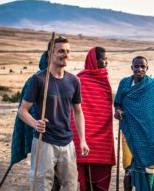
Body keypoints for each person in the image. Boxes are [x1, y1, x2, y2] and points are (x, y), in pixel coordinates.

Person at [18, 36, 89, 190]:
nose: (66, 55)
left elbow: (78, 111)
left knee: (70, 185)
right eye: (61, 51)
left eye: (68, 51)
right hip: (44, 141)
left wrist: (82, 139)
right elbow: (22, 111)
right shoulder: (39, 79)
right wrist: (36, 124)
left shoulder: (74, 81)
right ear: (51, 53)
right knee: (41, 185)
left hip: (67, 142)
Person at [114, 56, 154, 191]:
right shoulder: (124, 83)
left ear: (147, 68)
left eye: (143, 67)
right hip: (129, 133)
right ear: (132, 67)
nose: (139, 69)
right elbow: (117, 103)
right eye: (136, 66)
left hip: (147, 136)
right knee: (128, 169)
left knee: (147, 170)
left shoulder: (152, 85)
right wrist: (118, 111)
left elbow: (152, 113)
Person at [71, 47, 115, 191]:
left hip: (103, 136)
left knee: (101, 175)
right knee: (86, 177)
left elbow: (106, 107)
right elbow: (76, 109)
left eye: (106, 58)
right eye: (103, 58)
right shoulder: (80, 80)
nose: (106, 61)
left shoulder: (104, 78)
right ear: (94, 61)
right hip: (86, 135)